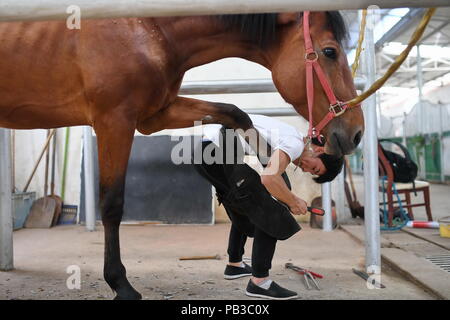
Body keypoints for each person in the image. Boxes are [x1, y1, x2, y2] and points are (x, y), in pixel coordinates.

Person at [193, 114, 343, 300]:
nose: (306, 170)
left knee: (249, 204)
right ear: (319, 150)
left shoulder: (289, 137)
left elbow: (270, 169)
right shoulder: (294, 143)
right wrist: (292, 201)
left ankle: (235, 265)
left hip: (205, 152)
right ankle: (259, 282)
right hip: (216, 151)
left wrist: (287, 196)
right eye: (315, 168)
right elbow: (269, 178)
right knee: (271, 212)